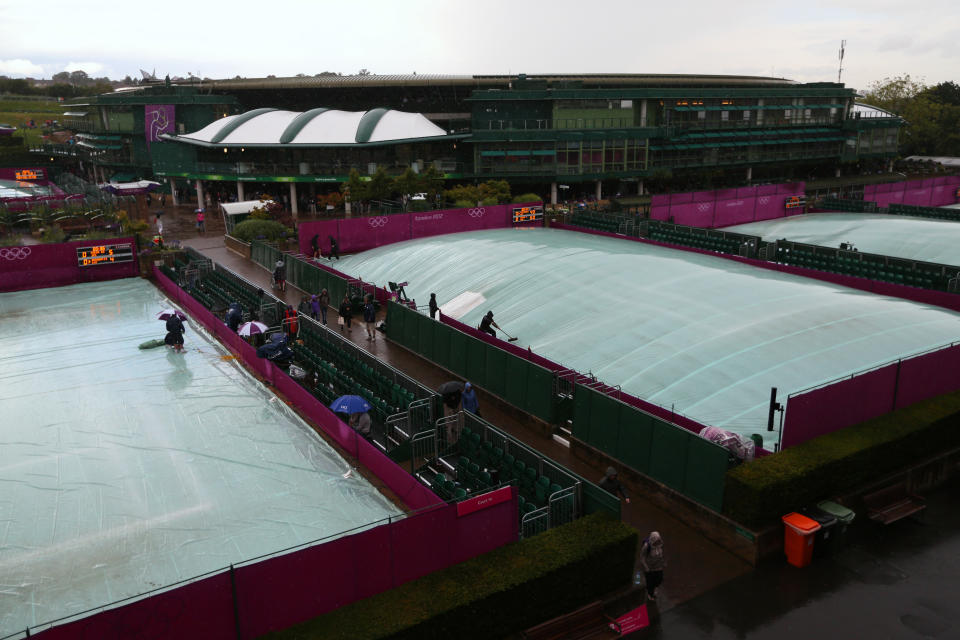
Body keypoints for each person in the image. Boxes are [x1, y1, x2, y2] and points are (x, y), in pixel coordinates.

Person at [640, 532, 666, 601]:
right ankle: (650, 594)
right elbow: (642, 557)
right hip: (650, 569)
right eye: (656, 540)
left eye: (658, 540)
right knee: (650, 583)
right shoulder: (646, 546)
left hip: (658, 567)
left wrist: (663, 562)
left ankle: (655, 587)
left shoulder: (660, 544)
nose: (657, 542)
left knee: (659, 579)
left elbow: (660, 555)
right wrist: (646, 567)